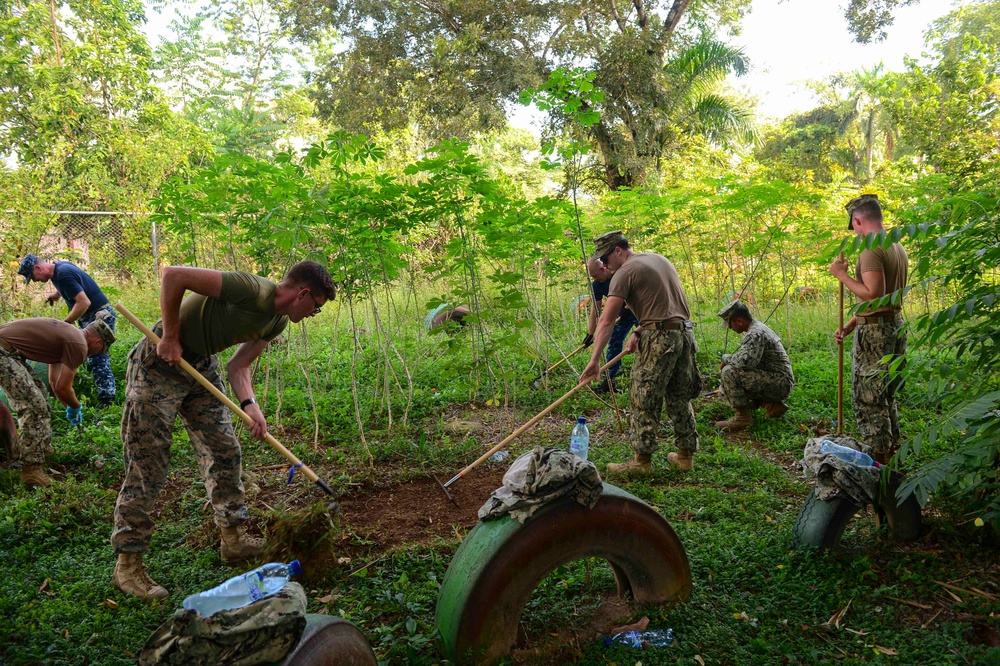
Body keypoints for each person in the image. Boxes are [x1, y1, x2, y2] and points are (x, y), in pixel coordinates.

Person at [110, 261, 335, 601]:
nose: (313, 314)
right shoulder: (252, 290)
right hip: (159, 362)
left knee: (225, 451)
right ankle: (128, 564)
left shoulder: (276, 323)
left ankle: (233, 539)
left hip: (200, 364)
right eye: (316, 308)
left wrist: (250, 405)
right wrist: (169, 337)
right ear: (303, 294)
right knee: (148, 464)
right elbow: (174, 275)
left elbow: (238, 366)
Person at [580, 231, 701, 473]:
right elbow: (664, 306)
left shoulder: (624, 272)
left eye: (604, 259)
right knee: (679, 396)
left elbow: (606, 320)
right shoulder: (658, 259)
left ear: (617, 250)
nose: (604, 265)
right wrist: (638, 332)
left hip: (660, 339)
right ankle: (685, 456)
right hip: (684, 334)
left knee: (643, 397)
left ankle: (641, 462)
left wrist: (594, 360)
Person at [829, 194, 908, 464]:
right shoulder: (895, 242)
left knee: (869, 398)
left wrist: (842, 275)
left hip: (876, 335)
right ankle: (890, 453)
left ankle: (878, 464)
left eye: (855, 226)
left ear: (858, 220)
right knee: (885, 395)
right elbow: (884, 300)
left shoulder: (871, 247)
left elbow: (874, 295)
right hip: (892, 325)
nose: (856, 232)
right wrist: (851, 324)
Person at [0, 316, 116, 488]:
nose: (99, 353)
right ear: (97, 341)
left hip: (10, 353)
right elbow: (63, 388)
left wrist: (69, 405)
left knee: (41, 397)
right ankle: (30, 470)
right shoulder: (79, 345)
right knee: (34, 407)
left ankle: (42, 449)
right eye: (102, 349)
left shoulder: (70, 337)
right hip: (3, 352)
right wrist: (76, 407)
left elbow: (54, 385)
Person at [18, 254, 118, 405]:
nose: (35, 280)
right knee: (87, 355)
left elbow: (83, 303)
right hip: (89, 316)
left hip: (99, 315)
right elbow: (73, 285)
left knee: (98, 358)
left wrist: (65, 324)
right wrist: (57, 294)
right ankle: (99, 392)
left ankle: (107, 400)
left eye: (33, 276)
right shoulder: (59, 268)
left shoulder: (63, 275)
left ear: (38, 268)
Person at [714, 301, 794, 431]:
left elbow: (745, 362)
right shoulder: (757, 328)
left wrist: (725, 358)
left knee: (729, 372)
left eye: (730, 325)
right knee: (732, 379)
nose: (730, 328)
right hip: (779, 379)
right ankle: (771, 405)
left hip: (780, 383)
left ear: (739, 321)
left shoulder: (755, 333)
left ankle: (743, 417)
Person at [582, 259, 638, 393]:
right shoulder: (597, 285)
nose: (595, 279)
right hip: (620, 315)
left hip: (638, 311)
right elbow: (595, 310)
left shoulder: (620, 274)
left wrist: (628, 306)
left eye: (595, 275)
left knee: (648, 339)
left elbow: (639, 293)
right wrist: (590, 334)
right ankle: (609, 380)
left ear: (603, 269)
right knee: (613, 344)